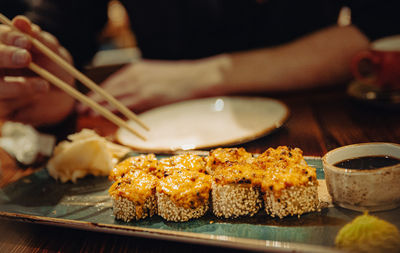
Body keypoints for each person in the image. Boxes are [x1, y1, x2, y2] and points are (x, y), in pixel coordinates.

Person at [1, 0, 399, 126]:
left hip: (321, 116)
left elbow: (383, 22)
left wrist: (200, 75)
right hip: (157, 125)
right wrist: (43, 75)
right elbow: (57, 20)